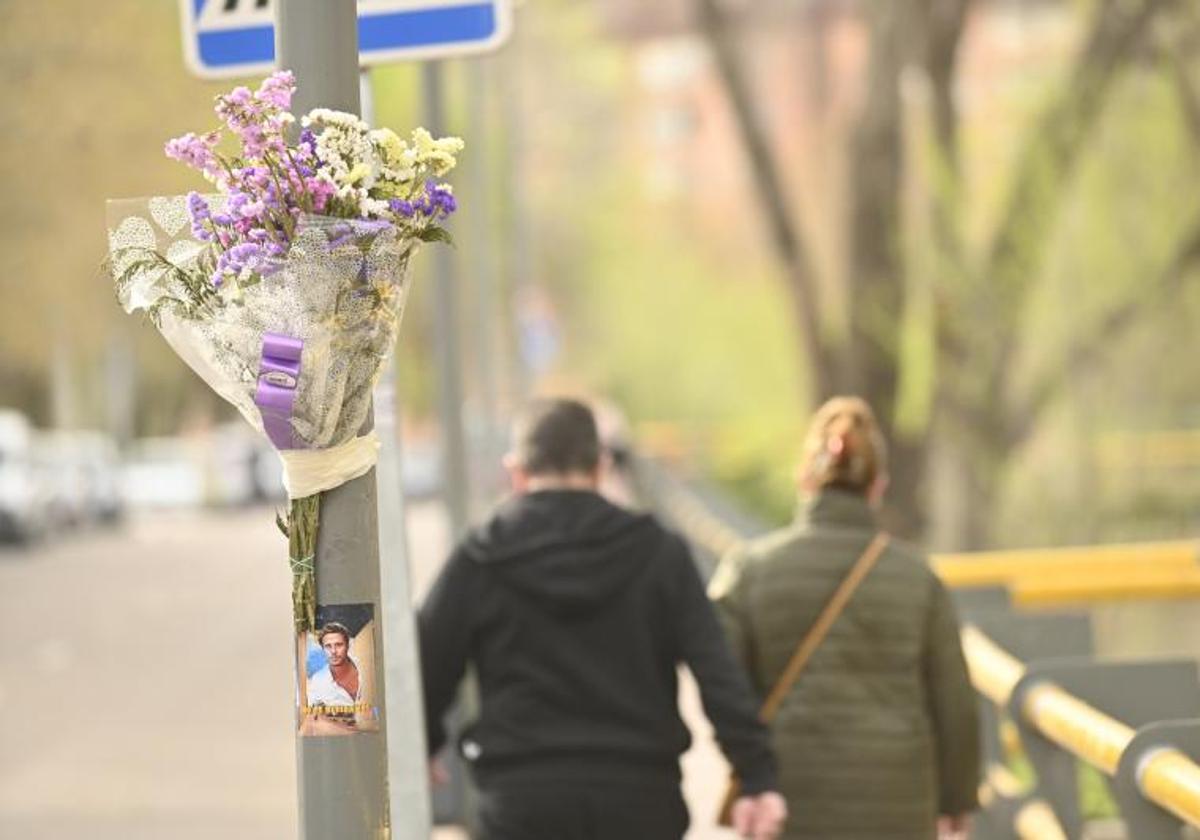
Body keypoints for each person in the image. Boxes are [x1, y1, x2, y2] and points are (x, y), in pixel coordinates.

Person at [419, 397, 787, 840]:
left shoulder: (481, 556)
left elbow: (428, 662)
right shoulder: (658, 552)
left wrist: (425, 743)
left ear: (515, 473)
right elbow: (717, 671)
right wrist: (756, 775)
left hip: (524, 801)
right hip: (640, 800)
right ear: (600, 467)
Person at [710, 396, 981, 840]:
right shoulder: (918, 580)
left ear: (804, 479)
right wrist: (956, 799)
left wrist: (749, 770)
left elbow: (722, 683)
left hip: (791, 799)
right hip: (899, 805)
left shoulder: (749, 571)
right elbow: (954, 702)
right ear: (878, 486)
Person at [307, 622, 361, 716]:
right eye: (328, 646)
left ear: (348, 645)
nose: (333, 651)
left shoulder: (363, 666)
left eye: (339, 645)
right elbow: (314, 718)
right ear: (323, 649)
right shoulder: (317, 682)